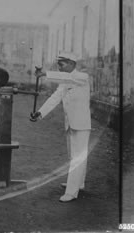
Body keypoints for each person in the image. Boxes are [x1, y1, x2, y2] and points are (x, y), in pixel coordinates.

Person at [30, 52, 91, 203]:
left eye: (62, 64)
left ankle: (71, 192)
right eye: (58, 64)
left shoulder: (82, 77)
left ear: (72, 63)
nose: (59, 67)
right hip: (70, 123)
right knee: (75, 156)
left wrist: (45, 73)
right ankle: (79, 183)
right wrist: (40, 113)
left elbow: (67, 77)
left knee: (78, 157)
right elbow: (55, 98)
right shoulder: (64, 82)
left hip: (81, 124)